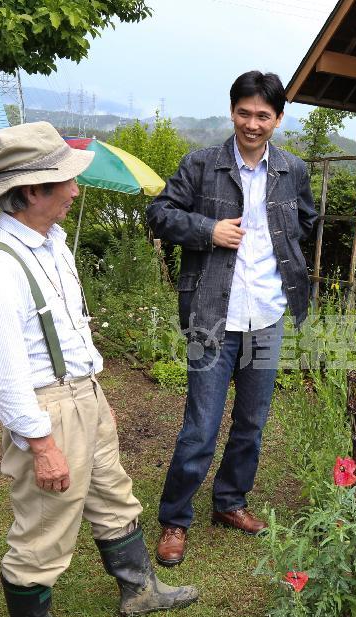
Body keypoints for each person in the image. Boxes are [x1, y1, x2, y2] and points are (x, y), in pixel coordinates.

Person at [0, 121, 198, 617]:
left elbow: (71, 329)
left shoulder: (53, 245)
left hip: (83, 395)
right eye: (64, 181)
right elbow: (6, 374)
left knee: (113, 494)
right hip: (45, 408)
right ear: (30, 192)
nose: (74, 190)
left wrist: (94, 390)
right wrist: (41, 443)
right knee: (46, 523)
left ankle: (139, 589)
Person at [147, 71, 317, 566]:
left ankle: (229, 501)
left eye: (263, 115)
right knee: (200, 425)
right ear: (232, 112)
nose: (252, 124)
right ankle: (175, 519)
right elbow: (159, 213)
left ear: (278, 118)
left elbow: (306, 221)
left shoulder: (292, 170)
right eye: (244, 113)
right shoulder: (202, 164)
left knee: (251, 422)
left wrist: (283, 248)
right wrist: (208, 230)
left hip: (266, 315)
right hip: (210, 316)